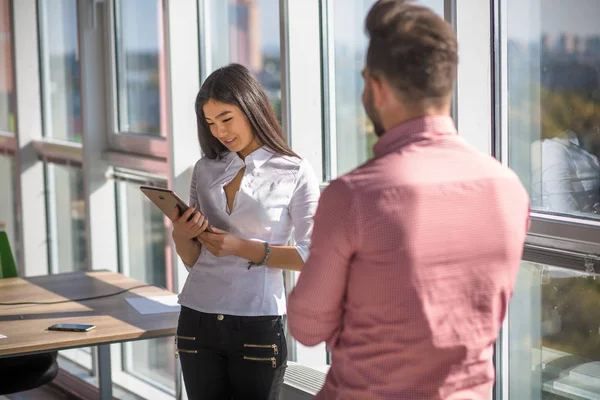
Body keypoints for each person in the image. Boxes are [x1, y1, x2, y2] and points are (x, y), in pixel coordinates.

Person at [287, 1, 530, 399]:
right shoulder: (509, 189)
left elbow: (307, 328)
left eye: (366, 80)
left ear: (377, 88)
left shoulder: (354, 196)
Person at [171, 63, 320, 399]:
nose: (220, 131)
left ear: (251, 107)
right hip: (198, 316)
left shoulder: (295, 171)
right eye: (210, 123)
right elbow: (194, 260)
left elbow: (313, 256)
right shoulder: (205, 169)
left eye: (226, 118)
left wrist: (240, 246)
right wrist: (181, 234)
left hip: (257, 320)